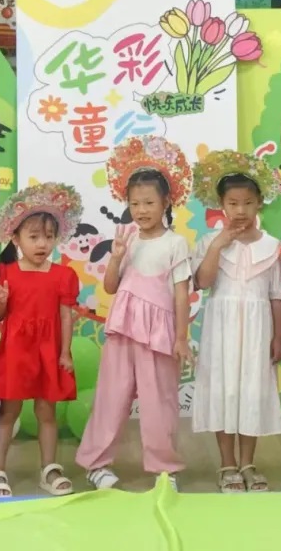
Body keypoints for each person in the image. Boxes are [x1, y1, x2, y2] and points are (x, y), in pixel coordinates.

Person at [77, 135, 194, 490]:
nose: (141, 210)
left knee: (160, 403)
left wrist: (181, 338)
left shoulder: (175, 243)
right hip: (123, 331)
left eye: (149, 203)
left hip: (158, 336)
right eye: (135, 203)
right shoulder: (127, 239)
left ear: (166, 203)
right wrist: (115, 257)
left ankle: (164, 468)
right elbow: (111, 286)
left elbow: (181, 294)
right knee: (111, 397)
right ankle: (96, 464)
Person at [190, 150, 281, 493]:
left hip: (258, 328)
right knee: (224, 388)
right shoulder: (209, 242)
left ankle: (248, 462)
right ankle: (227, 463)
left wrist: (278, 336)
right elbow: (202, 282)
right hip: (221, 327)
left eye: (247, 203)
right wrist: (218, 245)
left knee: (251, 390)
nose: (240, 210)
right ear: (222, 205)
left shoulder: (273, 246)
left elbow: (277, 294)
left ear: (259, 203)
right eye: (233, 203)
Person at [0, 182, 83, 497]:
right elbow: (0, 316)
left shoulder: (63, 276)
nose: (42, 244)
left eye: (49, 237)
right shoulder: (6, 273)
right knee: (8, 412)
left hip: (48, 352)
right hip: (16, 352)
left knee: (46, 412)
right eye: (34, 237)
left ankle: (49, 469)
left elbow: (65, 316)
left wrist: (65, 353)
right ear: (16, 238)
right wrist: (0, 302)